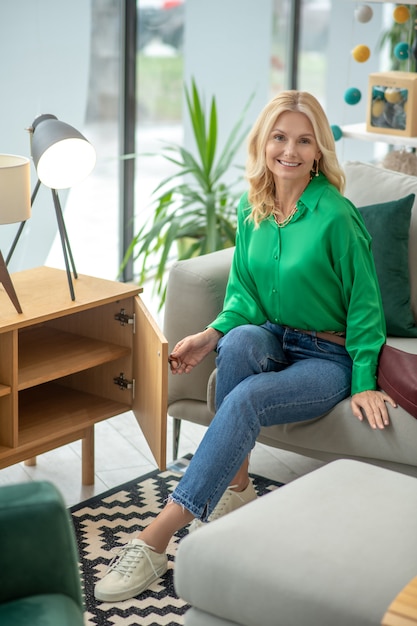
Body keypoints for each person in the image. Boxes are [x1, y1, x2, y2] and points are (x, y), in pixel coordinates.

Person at [94, 90, 396, 603]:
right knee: (235, 346)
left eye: (304, 140)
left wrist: (364, 379)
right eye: (280, 137)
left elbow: (366, 305)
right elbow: (245, 296)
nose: (291, 151)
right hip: (276, 337)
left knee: (246, 399)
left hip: (328, 356)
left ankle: (156, 537)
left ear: (319, 149)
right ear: (264, 142)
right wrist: (209, 334)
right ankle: (236, 490)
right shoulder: (251, 206)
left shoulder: (337, 216)